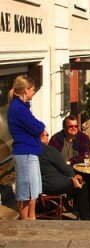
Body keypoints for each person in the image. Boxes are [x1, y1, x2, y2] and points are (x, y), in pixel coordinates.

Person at [7, 75, 46, 220]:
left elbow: (35, 125)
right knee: (26, 190)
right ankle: (26, 222)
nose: (33, 93)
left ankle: (32, 218)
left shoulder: (22, 107)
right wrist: (42, 129)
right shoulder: (18, 108)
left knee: (33, 190)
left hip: (29, 152)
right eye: (32, 90)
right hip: (25, 153)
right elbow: (37, 126)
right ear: (25, 90)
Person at [39, 130, 90, 220]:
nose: (48, 136)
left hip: (39, 185)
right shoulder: (49, 150)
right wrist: (75, 175)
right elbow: (64, 167)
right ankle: (86, 218)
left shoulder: (30, 151)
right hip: (52, 185)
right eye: (46, 135)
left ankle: (67, 206)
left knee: (73, 184)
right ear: (41, 137)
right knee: (82, 186)